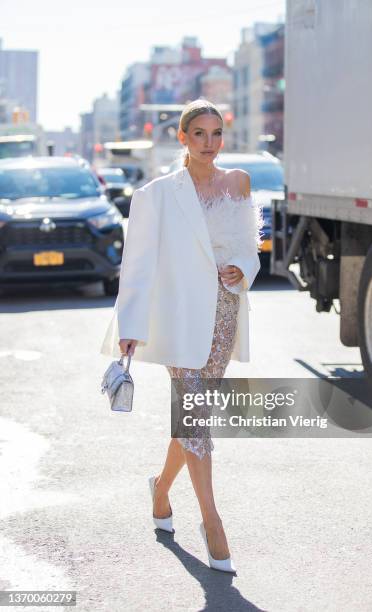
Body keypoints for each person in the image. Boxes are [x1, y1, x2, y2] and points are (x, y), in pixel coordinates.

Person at [100, 99, 263, 573]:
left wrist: (243, 269)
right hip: (178, 316)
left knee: (192, 415)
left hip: (224, 312)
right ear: (183, 138)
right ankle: (213, 523)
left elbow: (250, 247)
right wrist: (130, 326)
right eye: (200, 134)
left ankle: (162, 489)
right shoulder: (156, 195)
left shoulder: (239, 182)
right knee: (196, 417)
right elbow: (138, 264)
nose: (209, 144)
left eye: (217, 134)